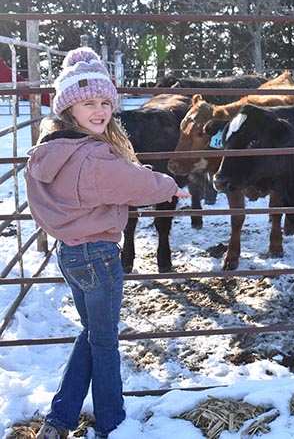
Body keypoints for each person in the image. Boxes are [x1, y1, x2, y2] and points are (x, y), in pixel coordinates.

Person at [24, 47, 190, 439]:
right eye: (87, 103)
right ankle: (113, 424)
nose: (99, 111)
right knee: (105, 341)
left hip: (70, 253)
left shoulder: (49, 152)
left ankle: (60, 419)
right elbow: (135, 184)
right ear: (69, 110)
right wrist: (169, 185)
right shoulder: (93, 157)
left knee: (91, 332)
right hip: (99, 255)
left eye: (104, 102)